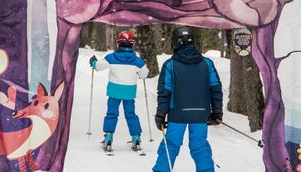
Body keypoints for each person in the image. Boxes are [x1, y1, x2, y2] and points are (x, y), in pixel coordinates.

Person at [152, 26, 223, 172]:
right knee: (200, 145)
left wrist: (160, 114)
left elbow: (164, 92)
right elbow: (215, 87)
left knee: (171, 144)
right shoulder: (207, 63)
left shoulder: (170, 65)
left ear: (175, 43)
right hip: (200, 114)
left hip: (177, 113)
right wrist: (217, 112)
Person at [89, 31, 149, 152]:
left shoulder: (112, 57)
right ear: (132, 44)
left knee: (112, 113)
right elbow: (145, 74)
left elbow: (99, 67)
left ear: (119, 43)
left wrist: (93, 62)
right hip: (129, 92)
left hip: (114, 91)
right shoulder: (137, 60)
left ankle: (108, 137)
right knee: (130, 114)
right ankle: (136, 138)